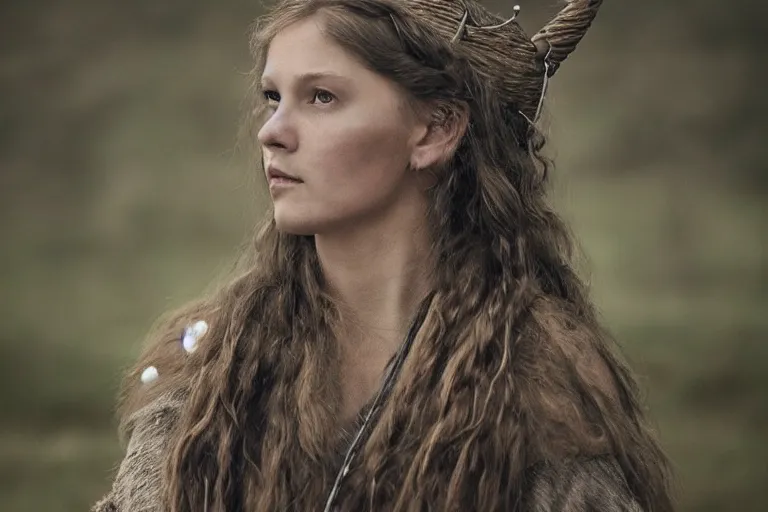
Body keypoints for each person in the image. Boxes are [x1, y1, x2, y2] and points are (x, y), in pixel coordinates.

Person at [93, 0, 674, 510]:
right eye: (273, 97)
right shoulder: (216, 364)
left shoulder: (531, 379)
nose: (272, 131)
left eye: (321, 97)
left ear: (434, 131)